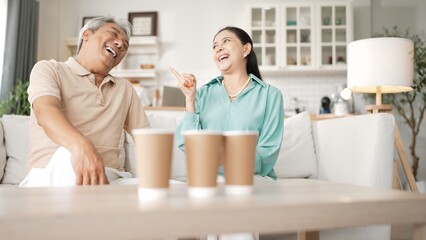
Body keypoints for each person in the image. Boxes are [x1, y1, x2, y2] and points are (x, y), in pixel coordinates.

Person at [20, 16, 150, 187]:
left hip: (110, 177)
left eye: (125, 45)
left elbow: (147, 138)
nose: (120, 44)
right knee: (65, 157)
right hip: (51, 173)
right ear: (86, 35)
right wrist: (81, 147)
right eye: (113, 34)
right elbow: (46, 112)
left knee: (173, 189)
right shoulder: (49, 69)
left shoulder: (125, 89)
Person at [172, 26, 284, 180]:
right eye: (215, 46)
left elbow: (267, 154)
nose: (219, 49)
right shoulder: (201, 94)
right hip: (210, 178)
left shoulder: (270, 95)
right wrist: (190, 99)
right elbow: (187, 144)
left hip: (252, 178)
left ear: (246, 49)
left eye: (226, 41)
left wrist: (216, 160)